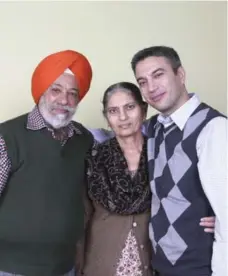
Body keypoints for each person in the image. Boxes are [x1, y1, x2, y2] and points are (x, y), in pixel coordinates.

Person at [77, 82, 216, 276]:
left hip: (155, 263)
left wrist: (220, 216)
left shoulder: (163, 152)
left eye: (130, 107)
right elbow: (80, 217)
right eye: (113, 111)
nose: (123, 117)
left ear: (143, 111)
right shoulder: (94, 158)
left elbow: (199, 186)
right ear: (107, 118)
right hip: (101, 262)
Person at [130, 46, 227, 276]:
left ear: (180, 75)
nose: (151, 88)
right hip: (162, 266)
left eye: (158, 75)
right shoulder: (154, 127)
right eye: (142, 82)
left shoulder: (213, 128)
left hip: (200, 268)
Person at [0, 49, 93, 276]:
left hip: (64, 266)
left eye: (73, 93)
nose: (64, 100)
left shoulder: (84, 139)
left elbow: (84, 200)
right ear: (42, 91)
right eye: (56, 90)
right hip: (11, 267)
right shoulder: (8, 136)